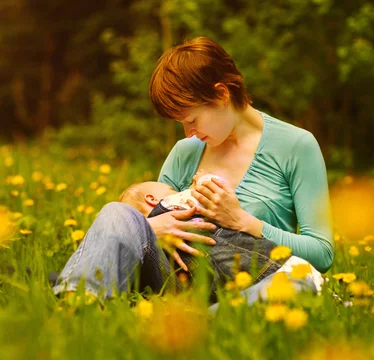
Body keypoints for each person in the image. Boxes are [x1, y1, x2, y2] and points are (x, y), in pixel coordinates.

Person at [53, 36, 334, 302]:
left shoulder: (296, 146)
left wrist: (242, 221)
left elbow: (322, 253)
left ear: (222, 94)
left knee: (296, 287)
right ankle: (78, 303)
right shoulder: (185, 152)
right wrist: (153, 228)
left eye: (192, 119)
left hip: (253, 281)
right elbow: (153, 228)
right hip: (180, 284)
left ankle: (212, 320)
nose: (188, 133)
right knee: (116, 212)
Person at [118, 176, 323, 303]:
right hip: (269, 266)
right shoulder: (168, 205)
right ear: (152, 199)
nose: (174, 192)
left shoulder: (154, 244)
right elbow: (207, 194)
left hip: (241, 277)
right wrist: (201, 182)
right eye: (170, 190)